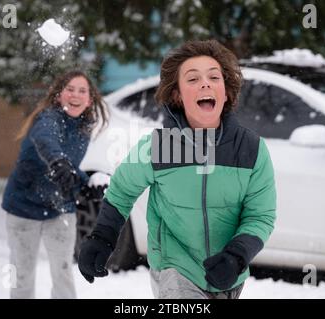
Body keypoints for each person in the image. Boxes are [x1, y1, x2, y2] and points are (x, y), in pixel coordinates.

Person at [78, 40, 276, 299]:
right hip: (175, 269)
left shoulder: (251, 149)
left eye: (214, 77)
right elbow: (122, 190)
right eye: (192, 79)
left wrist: (236, 256)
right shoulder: (157, 147)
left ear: (226, 92)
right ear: (177, 95)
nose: (205, 83)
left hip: (229, 274)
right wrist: (103, 236)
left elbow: (260, 215)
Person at [2, 70, 107, 299]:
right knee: (22, 275)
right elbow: (46, 141)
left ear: (90, 99)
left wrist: (87, 184)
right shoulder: (47, 119)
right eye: (70, 89)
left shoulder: (83, 128)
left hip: (61, 208)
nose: (75, 95)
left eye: (82, 91)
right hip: (23, 208)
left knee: (63, 273)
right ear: (59, 95)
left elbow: (69, 166)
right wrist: (57, 162)